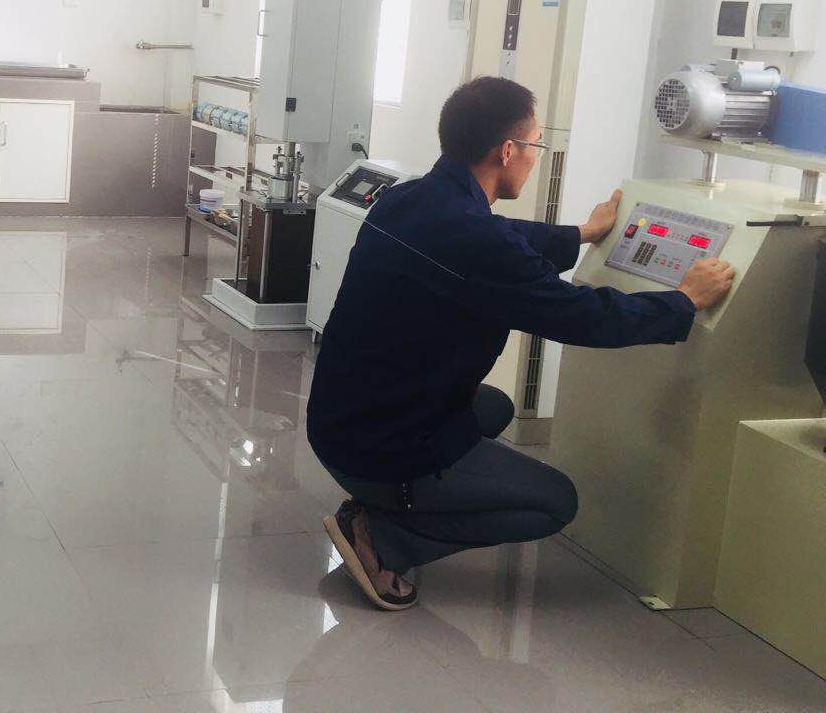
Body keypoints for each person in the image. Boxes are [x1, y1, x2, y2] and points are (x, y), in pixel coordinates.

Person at [306, 76, 735, 611]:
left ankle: (387, 500)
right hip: (374, 446)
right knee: (554, 502)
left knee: (495, 407)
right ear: (507, 151)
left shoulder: (406, 198)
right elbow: (582, 317)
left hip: (336, 421)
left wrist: (580, 233)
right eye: (535, 144)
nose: (534, 156)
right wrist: (684, 302)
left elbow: (503, 237)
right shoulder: (477, 240)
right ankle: (384, 541)